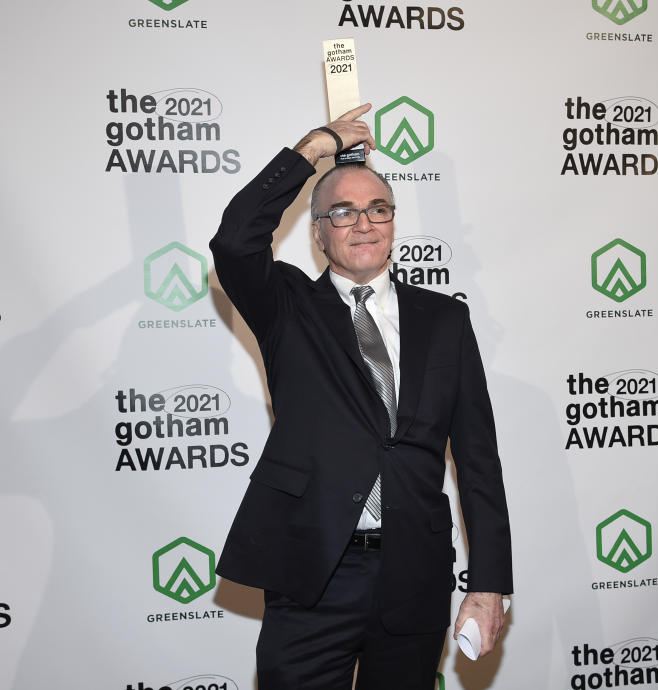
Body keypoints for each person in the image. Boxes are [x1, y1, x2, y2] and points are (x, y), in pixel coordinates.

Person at [210, 103, 513, 689]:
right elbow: (235, 240)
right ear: (318, 232)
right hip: (314, 568)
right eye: (342, 212)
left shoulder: (445, 319)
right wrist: (312, 147)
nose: (364, 224)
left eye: (379, 209)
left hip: (415, 573)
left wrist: (490, 583)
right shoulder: (288, 308)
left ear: (394, 222)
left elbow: (478, 460)